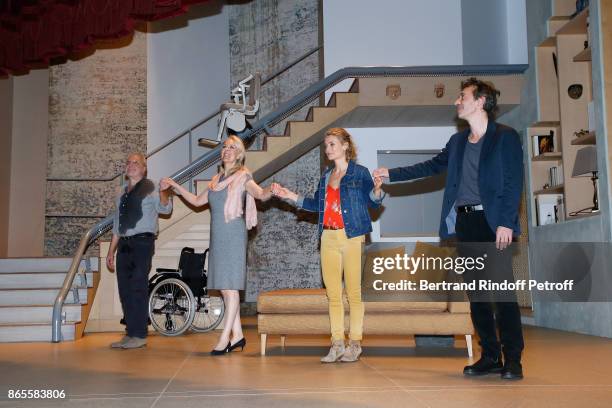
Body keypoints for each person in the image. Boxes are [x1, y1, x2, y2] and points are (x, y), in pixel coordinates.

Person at [373, 78, 525, 380]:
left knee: (502, 293)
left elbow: (513, 182)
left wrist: (506, 222)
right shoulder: (457, 143)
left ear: (480, 101)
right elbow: (430, 166)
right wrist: (392, 173)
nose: (457, 101)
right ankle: (490, 356)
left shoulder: (505, 137)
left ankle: (513, 359)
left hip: (493, 222)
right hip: (465, 223)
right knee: (478, 294)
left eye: (462, 96)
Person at [272, 127, 384, 363]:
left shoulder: (360, 173)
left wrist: (376, 191)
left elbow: (373, 203)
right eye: (326, 145)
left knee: (354, 293)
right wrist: (290, 195)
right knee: (333, 294)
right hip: (328, 237)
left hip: (352, 236)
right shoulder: (326, 176)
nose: (328, 149)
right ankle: (337, 344)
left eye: (332, 144)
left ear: (345, 145)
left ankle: (355, 344)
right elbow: (315, 204)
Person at [162, 135, 273, 355]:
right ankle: (238, 335)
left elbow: (259, 193)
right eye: (225, 147)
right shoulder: (215, 181)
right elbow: (196, 201)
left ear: (239, 154)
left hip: (233, 235)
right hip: (219, 236)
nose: (227, 150)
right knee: (224, 287)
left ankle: (225, 338)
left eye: (233, 147)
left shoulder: (243, 177)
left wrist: (272, 190)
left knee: (230, 289)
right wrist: (175, 186)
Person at [106, 153, 173, 349]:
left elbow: (165, 209)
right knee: (124, 289)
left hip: (143, 242)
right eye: (128, 162)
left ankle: (140, 334)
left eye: (136, 162)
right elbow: (118, 224)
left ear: (144, 169)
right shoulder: (120, 192)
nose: (131, 165)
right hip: (124, 244)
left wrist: (165, 192)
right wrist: (111, 251)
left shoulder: (151, 187)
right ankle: (131, 332)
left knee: (138, 285)